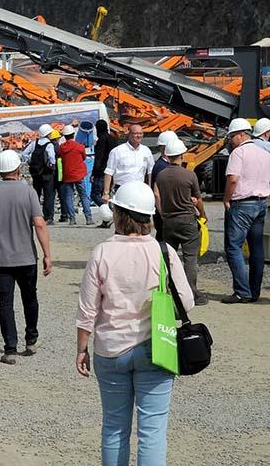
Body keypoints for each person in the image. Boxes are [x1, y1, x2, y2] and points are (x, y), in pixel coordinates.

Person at [76, 181, 194, 466]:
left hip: (111, 349)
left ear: (117, 212)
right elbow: (187, 302)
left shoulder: (102, 252)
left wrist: (82, 349)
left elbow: (87, 310)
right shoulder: (163, 252)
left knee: (114, 428)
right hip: (157, 348)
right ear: (149, 217)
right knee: (152, 432)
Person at [0, 150, 52, 364]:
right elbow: (39, 223)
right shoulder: (28, 192)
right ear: (19, 168)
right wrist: (47, 254)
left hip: (1, 259)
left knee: (5, 303)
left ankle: (10, 349)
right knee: (30, 298)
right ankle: (31, 338)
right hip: (27, 257)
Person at [154, 138, 208, 305]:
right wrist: (203, 215)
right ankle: (191, 292)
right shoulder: (189, 175)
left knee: (168, 257)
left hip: (169, 221)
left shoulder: (161, 175)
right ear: (181, 155)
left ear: (168, 156)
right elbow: (198, 199)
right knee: (190, 257)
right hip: (187, 221)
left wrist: (163, 214)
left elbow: (156, 195)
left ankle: (169, 290)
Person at [221, 118, 270, 304]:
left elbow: (233, 179)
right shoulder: (264, 153)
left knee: (233, 247)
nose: (230, 141)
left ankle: (242, 291)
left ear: (241, 134)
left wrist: (226, 199)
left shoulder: (238, 153)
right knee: (257, 247)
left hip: (242, 203)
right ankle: (254, 291)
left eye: (232, 136)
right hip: (260, 202)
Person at [102, 124, 154, 204]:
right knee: (122, 215)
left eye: (140, 133)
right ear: (129, 134)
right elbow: (109, 172)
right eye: (135, 133)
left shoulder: (146, 151)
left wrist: (149, 190)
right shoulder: (117, 151)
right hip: (122, 190)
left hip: (140, 190)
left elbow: (150, 171)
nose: (138, 136)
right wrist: (106, 193)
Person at [57, 125, 93, 225]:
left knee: (69, 197)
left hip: (67, 175)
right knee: (83, 196)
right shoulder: (79, 146)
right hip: (79, 174)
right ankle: (88, 218)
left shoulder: (62, 148)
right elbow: (84, 157)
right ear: (73, 134)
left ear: (64, 136)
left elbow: (59, 156)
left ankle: (72, 219)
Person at [22, 124, 57, 224]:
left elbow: (24, 153)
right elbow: (52, 159)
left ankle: (35, 216)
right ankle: (48, 217)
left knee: (36, 194)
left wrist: (29, 161)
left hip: (36, 173)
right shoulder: (49, 145)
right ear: (48, 134)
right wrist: (51, 166)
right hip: (46, 173)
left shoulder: (34, 143)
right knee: (48, 195)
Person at [150, 131, 179, 240]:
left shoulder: (162, 165)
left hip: (163, 211)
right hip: (164, 211)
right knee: (164, 241)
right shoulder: (162, 167)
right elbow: (158, 193)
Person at [90, 120, 116, 221]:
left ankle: (108, 215)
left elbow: (99, 158)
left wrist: (94, 173)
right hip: (112, 171)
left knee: (95, 195)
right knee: (107, 195)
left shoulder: (101, 139)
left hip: (101, 172)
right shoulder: (113, 139)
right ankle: (106, 220)